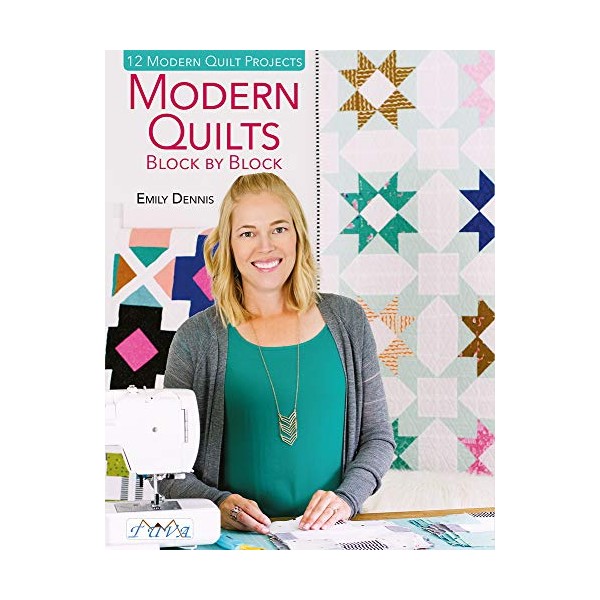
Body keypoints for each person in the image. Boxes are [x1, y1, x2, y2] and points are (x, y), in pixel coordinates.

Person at [161, 173, 395, 534]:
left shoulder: (348, 320)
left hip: (333, 537)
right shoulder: (196, 339)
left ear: (298, 236)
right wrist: (217, 504)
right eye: (247, 233)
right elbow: (167, 467)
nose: (265, 246)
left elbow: (378, 438)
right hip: (236, 542)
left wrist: (347, 499)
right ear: (228, 245)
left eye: (279, 229)